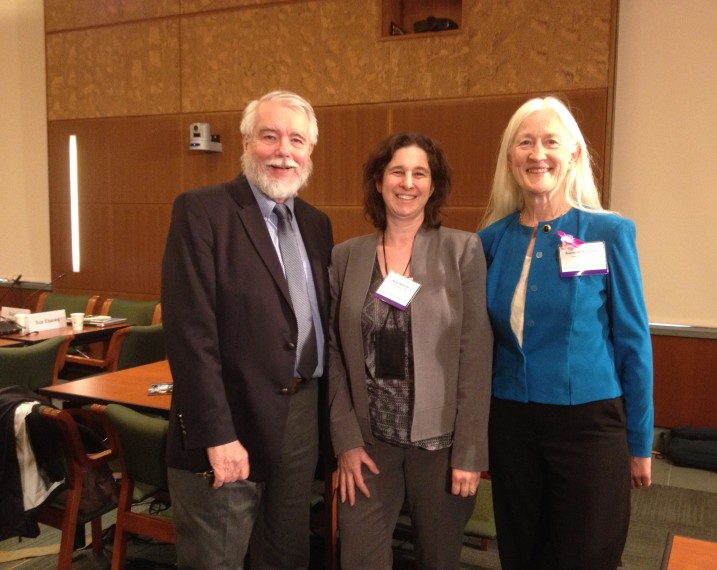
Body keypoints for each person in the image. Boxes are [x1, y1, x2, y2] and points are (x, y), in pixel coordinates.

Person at [478, 96, 654, 569]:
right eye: (526, 142)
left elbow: (633, 342)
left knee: (586, 556)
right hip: (512, 423)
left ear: (573, 153)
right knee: (521, 553)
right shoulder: (489, 242)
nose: (538, 154)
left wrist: (640, 443)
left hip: (589, 428)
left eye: (551, 142)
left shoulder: (608, 233)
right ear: (511, 157)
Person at [161, 90, 333, 569]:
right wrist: (217, 435)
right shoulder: (202, 212)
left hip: (301, 419)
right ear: (245, 142)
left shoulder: (317, 225)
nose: (284, 151)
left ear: (310, 151)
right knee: (216, 559)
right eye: (270, 136)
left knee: (286, 555)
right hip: (230, 420)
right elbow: (190, 334)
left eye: (296, 140)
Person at [329, 132, 493, 568]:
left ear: (433, 185)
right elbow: (333, 356)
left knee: (437, 560)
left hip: (440, 448)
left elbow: (476, 356)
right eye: (397, 171)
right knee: (359, 560)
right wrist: (344, 441)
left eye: (419, 172)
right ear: (379, 182)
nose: (407, 182)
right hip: (367, 444)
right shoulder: (346, 257)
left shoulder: (463, 251)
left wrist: (470, 454)